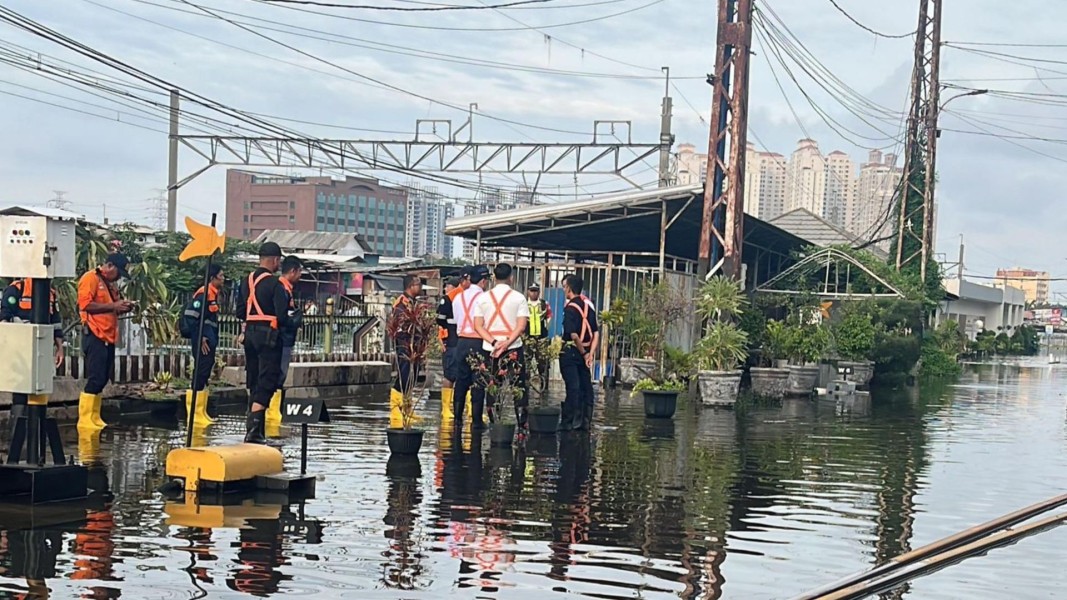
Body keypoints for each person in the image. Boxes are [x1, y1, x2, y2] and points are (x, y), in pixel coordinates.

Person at [236, 242, 290, 444]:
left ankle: (252, 428)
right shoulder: (275, 284)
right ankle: (254, 431)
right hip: (269, 336)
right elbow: (282, 315)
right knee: (268, 379)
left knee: (254, 377)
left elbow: (240, 312)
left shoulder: (245, 281)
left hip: (249, 334)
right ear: (275, 260)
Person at [76, 254, 134, 430]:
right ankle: (85, 419)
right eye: (118, 272)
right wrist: (113, 306)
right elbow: (85, 305)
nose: (119, 277)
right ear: (109, 265)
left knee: (103, 378)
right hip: (94, 334)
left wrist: (123, 307)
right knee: (96, 377)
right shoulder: (90, 278)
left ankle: (95, 416)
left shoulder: (110, 284)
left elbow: (111, 308)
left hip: (108, 336)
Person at [0, 277, 65, 434]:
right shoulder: (16, 289)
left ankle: (36, 432)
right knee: (21, 390)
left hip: (41, 349)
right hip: (20, 348)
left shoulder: (50, 294)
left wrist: (59, 348)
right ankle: (17, 432)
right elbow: (4, 316)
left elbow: (55, 322)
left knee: (40, 389)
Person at [472, 263, 530, 429]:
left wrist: (495, 343)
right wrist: (507, 343)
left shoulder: (483, 298)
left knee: (492, 388)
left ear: (494, 278)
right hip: (513, 348)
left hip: (490, 349)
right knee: (519, 388)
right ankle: (521, 428)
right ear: (511, 278)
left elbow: (478, 326)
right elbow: (521, 327)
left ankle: (494, 425)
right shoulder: (519, 298)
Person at [180, 264, 224, 428]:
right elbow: (191, 317)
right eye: (221, 276)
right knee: (201, 370)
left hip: (209, 338)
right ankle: (195, 414)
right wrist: (201, 337)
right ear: (212, 278)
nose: (223, 278)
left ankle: (201, 411)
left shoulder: (212, 294)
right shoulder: (203, 295)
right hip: (203, 340)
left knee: (205, 370)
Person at [451, 265, 490, 428]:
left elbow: (456, 318)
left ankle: (457, 419)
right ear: (483, 281)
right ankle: (476, 421)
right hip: (478, 342)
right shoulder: (486, 298)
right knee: (478, 381)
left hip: (461, 342)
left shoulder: (458, 297)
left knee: (461, 381)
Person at [267, 256, 303, 428]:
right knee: (278, 373)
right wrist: (293, 320)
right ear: (293, 271)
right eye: (300, 271)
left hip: (286, 339)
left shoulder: (286, 289)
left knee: (281, 373)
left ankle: (274, 410)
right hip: (282, 339)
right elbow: (281, 316)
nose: (300, 276)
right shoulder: (281, 289)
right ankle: (272, 412)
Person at [559, 274, 598, 432]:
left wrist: (583, 354)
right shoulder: (589, 305)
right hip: (586, 352)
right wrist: (590, 353)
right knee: (586, 387)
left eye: (564, 287)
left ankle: (568, 422)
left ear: (568, 288)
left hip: (571, 352)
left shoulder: (569, 309)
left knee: (573, 387)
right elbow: (596, 332)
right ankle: (585, 422)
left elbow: (573, 335)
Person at [390, 274, 423, 428]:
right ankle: (396, 409)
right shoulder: (401, 304)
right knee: (403, 374)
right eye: (418, 284)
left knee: (413, 375)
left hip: (415, 344)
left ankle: (407, 407)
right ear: (411, 285)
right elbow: (399, 325)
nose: (420, 287)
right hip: (404, 343)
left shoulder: (414, 303)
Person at [435, 274, 465, 421]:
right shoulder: (466, 296)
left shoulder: (449, 298)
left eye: (448, 286)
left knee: (451, 375)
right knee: (456, 375)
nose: (446, 288)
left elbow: (439, 320)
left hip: (452, 341)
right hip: (457, 341)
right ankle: (449, 408)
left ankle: (448, 409)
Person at [525, 283, 552, 392]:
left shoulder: (544, 304)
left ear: (539, 292)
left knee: (543, 364)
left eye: (535, 290)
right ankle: (525, 388)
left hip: (541, 338)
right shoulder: (524, 304)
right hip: (527, 338)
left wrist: (546, 328)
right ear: (528, 291)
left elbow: (549, 316)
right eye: (531, 290)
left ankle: (543, 389)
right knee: (526, 364)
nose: (533, 293)